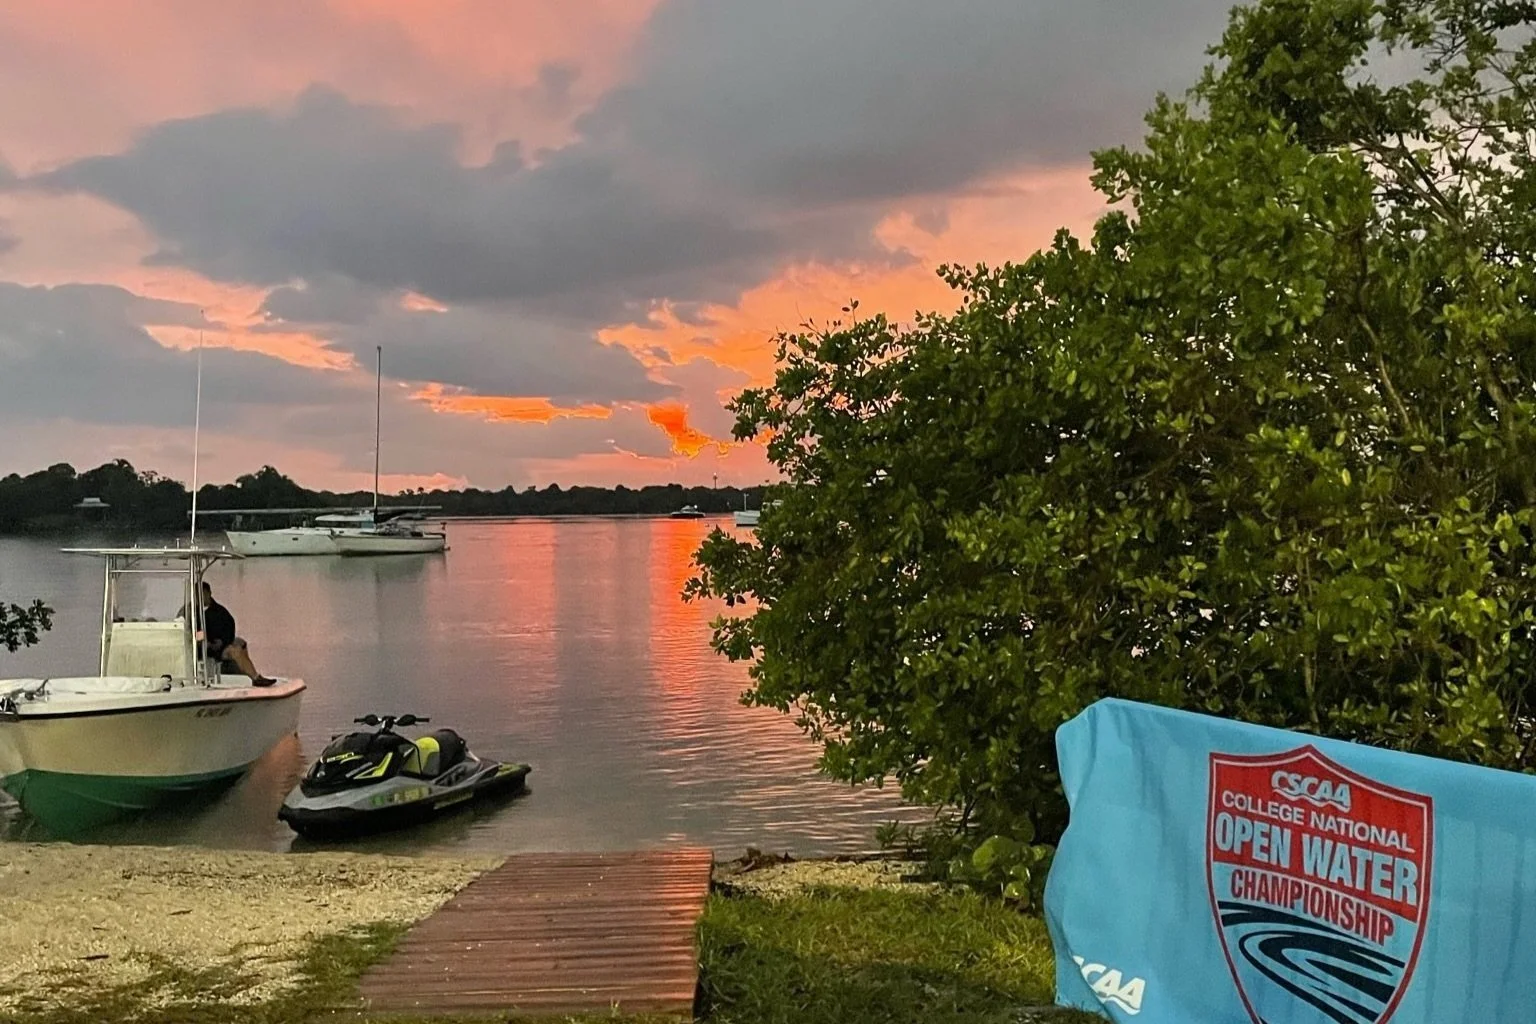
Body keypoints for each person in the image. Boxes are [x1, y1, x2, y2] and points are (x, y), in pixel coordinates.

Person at [196, 581, 276, 687]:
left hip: (218, 646)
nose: (202, 597)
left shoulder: (220, 611)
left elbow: (229, 627)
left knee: (240, 643)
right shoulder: (193, 613)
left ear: (210, 593)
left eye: (204, 593)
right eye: (199, 594)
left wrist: (222, 641)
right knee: (235, 651)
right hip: (202, 648)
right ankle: (255, 677)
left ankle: (247, 673)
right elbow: (195, 630)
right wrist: (205, 641)